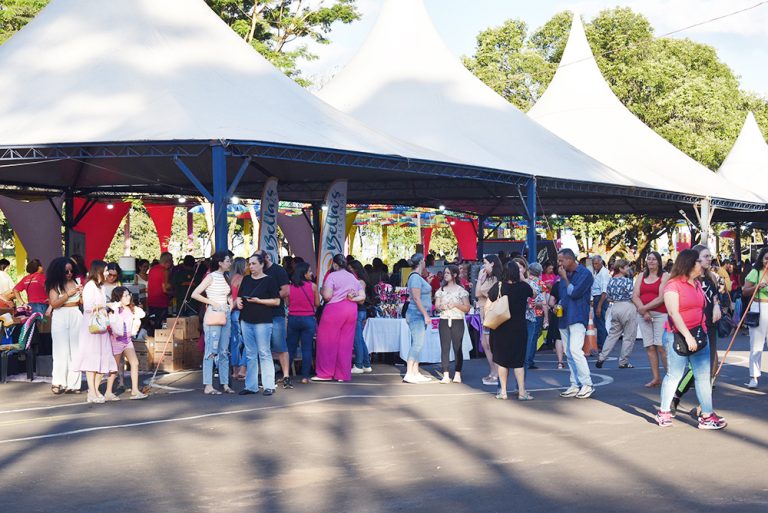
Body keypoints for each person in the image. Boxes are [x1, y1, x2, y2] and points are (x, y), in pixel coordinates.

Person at [656, 249, 726, 430]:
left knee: (703, 376)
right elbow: (673, 313)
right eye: (697, 262)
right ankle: (664, 412)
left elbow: (704, 306)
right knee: (675, 375)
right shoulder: (673, 285)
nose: (700, 265)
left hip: (699, 334)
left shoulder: (697, 283)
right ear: (689, 264)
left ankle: (707, 415)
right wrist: (687, 336)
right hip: (677, 335)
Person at [669, 244, 723, 412]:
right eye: (705, 257)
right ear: (695, 260)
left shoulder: (711, 278)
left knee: (711, 366)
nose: (709, 259)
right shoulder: (690, 279)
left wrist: (716, 305)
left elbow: (715, 297)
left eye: (709, 256)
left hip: (710, 326)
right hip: (695, 327)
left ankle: (702, 406)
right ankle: (677, 395)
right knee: (698, 368)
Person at [313, 254, 364, 382]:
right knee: (345, 343)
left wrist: (322, 291)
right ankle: (342, 375)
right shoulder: (353, 277)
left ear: (335, 264)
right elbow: (362, 297)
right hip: (351, 310)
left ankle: (325, 373)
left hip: (334, 310)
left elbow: (328, 296)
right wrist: (351, 298)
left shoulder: (332, 276)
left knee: (326, 341)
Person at [487, 261, 534, 400]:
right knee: (518, 361)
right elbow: (534, 294)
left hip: (501, 328)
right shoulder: (523, 287)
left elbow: (490, 299)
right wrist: (524, 278)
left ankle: (503, 392)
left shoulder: (499, 286)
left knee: (502, 361)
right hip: (519, 328)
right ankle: (522, 392)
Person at [73, 260, 118, 404]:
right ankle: (92, 391)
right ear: (98, 270)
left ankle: (95, 389)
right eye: (105, 270)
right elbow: (87, 307)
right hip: (92, 326)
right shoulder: (90, 286)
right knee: (91, 358)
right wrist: (103, 307)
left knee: (102, 356)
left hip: (101, 326)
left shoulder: (101, 287)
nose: (107, 273)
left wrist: (106, 307)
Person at [191, 251, 235, 395]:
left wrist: (229, 304)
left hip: (225, 313)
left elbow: (227, 295)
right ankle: (208, 385)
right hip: (215, 312)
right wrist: (212, 302)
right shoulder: (211, 277)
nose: (230, 263)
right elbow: (195, 293)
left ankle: (225, 383)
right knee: (211, 350)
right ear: (220, 262)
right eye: (228, 260)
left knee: (223, 350)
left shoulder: (225, 276)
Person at [237, 253, 280, 396]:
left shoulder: (270, 280)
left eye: (254, 263)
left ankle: (269, 385)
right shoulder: (246, 279)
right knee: (250, 353)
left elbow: (276, 301)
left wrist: (259, 301)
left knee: (264, 352)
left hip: (263, 320)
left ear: (262, 264)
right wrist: (238, 301)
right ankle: (251, 386)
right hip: (246, 319)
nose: (251, 267)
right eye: (250, 264)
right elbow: (239, 296)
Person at [556, 249, 595, 399]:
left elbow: (574, 292)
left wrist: (565, 278)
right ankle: (575, 384)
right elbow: (564, 296)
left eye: (561, 260)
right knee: (569, 353)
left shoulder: (584, 274)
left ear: (570, 259)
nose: (559, 264)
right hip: (564, 316)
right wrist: (556, 305)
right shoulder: (565, 274)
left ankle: (587, 384)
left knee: (575, 350)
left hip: (578, 316)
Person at [45, 257, 83, 395]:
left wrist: (82, 293)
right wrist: (68, 294)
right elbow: (54, 304)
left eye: (71, 271)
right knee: (60, 350)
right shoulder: (55, 285)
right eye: (66, 271)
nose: (69, 274)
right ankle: (58, 382)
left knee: (76, 350)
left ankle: (74, 384)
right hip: (60, 314)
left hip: (75, 313)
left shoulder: (76, 281)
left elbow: (82, 302)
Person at [632, 251, 669, 387]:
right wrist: (644, 311)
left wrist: (644, 308)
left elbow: (661, 297)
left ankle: (670, 377)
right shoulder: (641, 276)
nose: (651, 261)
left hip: (660, 314)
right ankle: (656, 378)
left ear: (659, 262)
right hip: (643, 314)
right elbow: (635, 295)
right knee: (649, 346)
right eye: (649, 259)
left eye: (654, 259)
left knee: (661, 346)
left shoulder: (665, 276)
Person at [104, 287, 148, 400]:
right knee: (114, 367)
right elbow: (107, 309)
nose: (128, 297)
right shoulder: (115, 309)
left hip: (127, 340)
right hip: (117, 341)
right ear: (119, 298)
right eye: (125, 296)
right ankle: (108, 392)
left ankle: (135, 390)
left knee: (135, 363)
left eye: (129, 295)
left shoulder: (131, 308)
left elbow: (142, 314)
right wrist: (114, 307)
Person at [259, 250, 293, 389]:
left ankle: (286, 376)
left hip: (276, 313)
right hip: (260, 313)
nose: (255, 264)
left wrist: (268, 298)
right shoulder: (256, 271)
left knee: (280, 346)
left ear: (266, 258)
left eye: (259, 260)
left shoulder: (278, 270)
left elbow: (286, 291)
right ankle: (267, 377)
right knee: (263, 347)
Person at [596, 259, 638, 369]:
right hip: (627, 306)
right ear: (621, 268)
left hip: (615, 306)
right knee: (629, 336)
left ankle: (602, 357)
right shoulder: (627, 281)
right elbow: (632, 295)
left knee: (613, 334)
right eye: (627, 267)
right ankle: (623, 361)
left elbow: (608, 297)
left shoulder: (611, 281)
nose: (628, 269)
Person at [434, 265, 470, 384]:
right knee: (445, 347)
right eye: (445, 273)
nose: (445, 275)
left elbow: (467, 308)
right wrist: (440, 307)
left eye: (448, 273)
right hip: (444, 320)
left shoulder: (461, 290)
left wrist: (455, 304)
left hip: (457, 320)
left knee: (457, 347)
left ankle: (458, 373)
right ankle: (445, 374)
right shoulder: (441, 290)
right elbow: (437, 306)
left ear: (454, 275)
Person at [402, 253, 433, 384]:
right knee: (417, 344)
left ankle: (415, 371)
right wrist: (425, 315)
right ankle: (410, 372)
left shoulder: (417, 277)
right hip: (417, 314)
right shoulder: (415, 277)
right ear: (421, 262)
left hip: (418, 314)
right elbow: (416, 298)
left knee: (417, 343)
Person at [287, 261, 319, 384]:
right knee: (307, 349)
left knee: (290, 348)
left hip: (293, 318)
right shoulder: (313, 286)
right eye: (309, 271)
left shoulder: (290, 287)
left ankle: (286, 375)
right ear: (304, 273)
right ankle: (305, 377)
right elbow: (317, 304)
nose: (311, 274)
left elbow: (287, 303)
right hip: (308, 319)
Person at [743, 246, 768, 389]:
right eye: (766, 258)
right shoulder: (755, 272)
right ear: (761, 258)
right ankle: (754, 377)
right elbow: (745, 291)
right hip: (759, 308)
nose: (767, 262)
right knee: (756, 345)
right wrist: (757, 286)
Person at [476, 255, 502, 385]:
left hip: (490, 313)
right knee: (485, 343)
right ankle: (493, 372)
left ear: (492, 264)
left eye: (485, 263)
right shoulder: (489, 277)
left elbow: (477, 292)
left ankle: (495, 373)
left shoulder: (494, 279)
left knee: (489, 344)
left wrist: (480, 279)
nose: (483, 266)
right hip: (484, 312)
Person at [349, 260, 372, 374]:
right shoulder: (361, 280)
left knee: (357, 339)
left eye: (350, 268)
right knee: (360, 339)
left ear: (354, 269)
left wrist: (351, 296)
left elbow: (361, 300)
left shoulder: (360, 281)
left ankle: (358, 365)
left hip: (359, 311)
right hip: (361, 312)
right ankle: (366, 364)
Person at [523, 261, 547, 370]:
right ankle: (529, 361)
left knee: (527, 338)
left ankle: (525, 360)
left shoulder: (525, 281)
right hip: (536, 313)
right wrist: (546, 317)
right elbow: (544, 302)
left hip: (525, 312)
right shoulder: (540, 283)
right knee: (532, 339)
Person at [229, 257, 247, 381]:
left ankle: (235, 370)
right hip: (240, 312)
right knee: (247, 341)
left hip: (232, 312)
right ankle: (242, 368)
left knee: (234, 343)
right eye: (246, 265)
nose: (248, 267)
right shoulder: (241, 279)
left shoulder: (230, 279)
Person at [147, 252, 174, 332]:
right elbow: (165, 288)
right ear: (167, 262)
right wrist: (173, 292)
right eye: (171, 261)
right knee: (161, 326)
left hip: (151, 301)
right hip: (161, 302)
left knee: (153, 323)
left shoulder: (152, 269)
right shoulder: (165, 271)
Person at [590, 255, 610, 351]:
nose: (595, 265)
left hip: (601, 298)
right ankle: (606, 341)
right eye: (594, 264)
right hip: (597, 298)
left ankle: (602, 344)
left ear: (601, 262)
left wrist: (599, 306)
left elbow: (604, 292)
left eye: (597, 263)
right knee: (598, 321)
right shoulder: (598, 272)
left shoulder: (604, 273)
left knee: (600, 321)